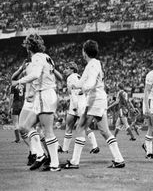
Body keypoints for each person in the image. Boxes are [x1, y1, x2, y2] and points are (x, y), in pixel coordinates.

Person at [61, 40, 125, 169]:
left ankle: (74, 162)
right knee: (104, 130)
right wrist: (76, 85)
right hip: (99, 99)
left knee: (80, 128)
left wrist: (84, 88)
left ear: (84, 52)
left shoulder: (93, 64)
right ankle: (119, 159)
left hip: (94, 99)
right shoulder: (93, 64)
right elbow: (83, 80)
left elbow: (89, 82)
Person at [12, 33, 60, 171]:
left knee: (48, 131)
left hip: (44, 94)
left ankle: (54, 164)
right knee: (26, 126)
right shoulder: (47, 57)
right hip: (45, 94)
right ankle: (40, 155)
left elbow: (36, 75)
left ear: (29, 47)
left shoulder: (37, 57)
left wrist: (19, 82)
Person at [60, 62, 99, 154]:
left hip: (76, 104)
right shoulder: (79, 76)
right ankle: (95, 146)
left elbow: (72, 93)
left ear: (72, 69)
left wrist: (75, 106)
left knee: (71, 126)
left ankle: (65, 149)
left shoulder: (70, 77)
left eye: (67, 68)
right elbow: (86, 88)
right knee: (82, 126)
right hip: (82, 103)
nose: (65, 70)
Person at [9, 60, 28, 143]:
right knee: (22, 123)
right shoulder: (24, 85)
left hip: (15, 104)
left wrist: (10, 107)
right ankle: (26, 136)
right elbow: (26, 96)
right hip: (23, 105)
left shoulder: (13, 85)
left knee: (16, 123)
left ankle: (17, 139)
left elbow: (11, 97)